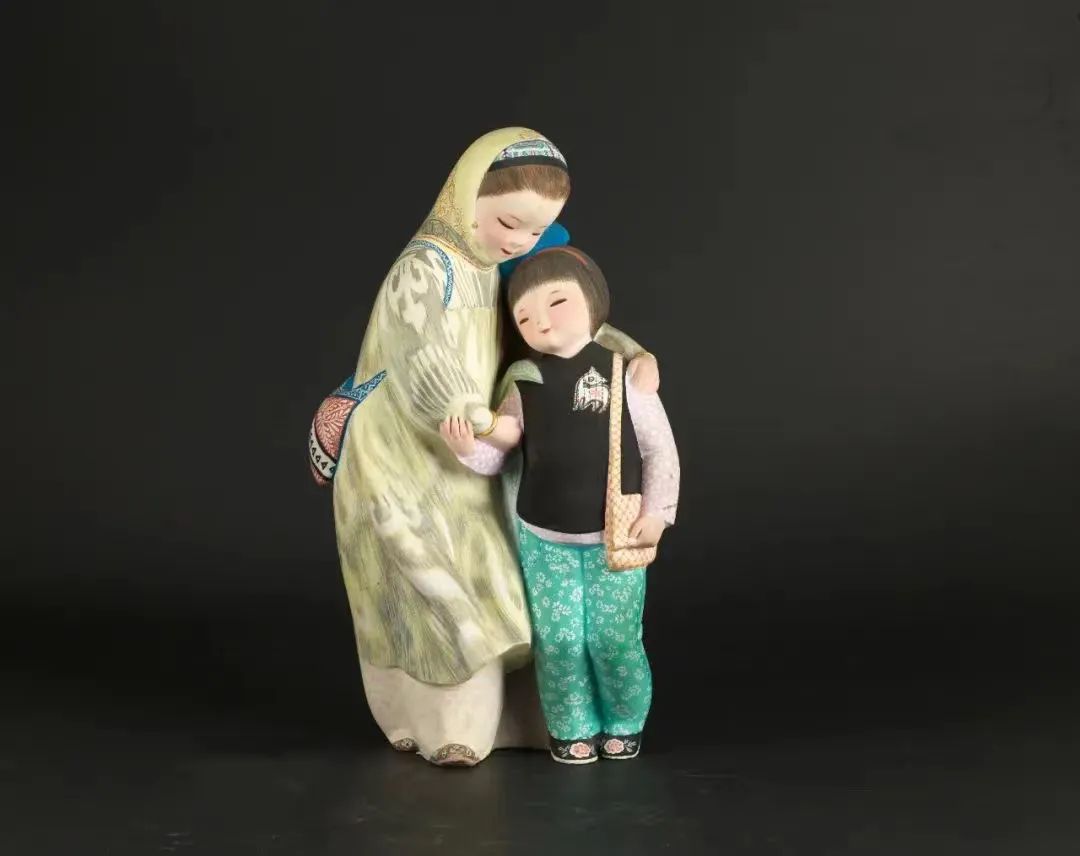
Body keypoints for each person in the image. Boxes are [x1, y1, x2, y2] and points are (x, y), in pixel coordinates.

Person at [312, 128, 660, 766]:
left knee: (509, 586)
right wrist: (466, 412)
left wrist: (630, 352)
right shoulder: (426, 268)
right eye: (508, 222)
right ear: (465, 195)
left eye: (537, 229)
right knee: (441, 589)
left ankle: (535, 715)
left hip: (482, 452)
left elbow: (571, 321)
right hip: (409, 455)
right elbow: (420, 353)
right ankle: (445, 724)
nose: (521, 241)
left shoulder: (501, 268)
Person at [440, 245, 680, 764]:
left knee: (614, 638)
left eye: (556, 303)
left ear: (593, 301)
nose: (542, 322)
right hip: (543, 536)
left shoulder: (625, 374)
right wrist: (466, 448)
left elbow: (659, 448)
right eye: (525, 316)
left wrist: (658, 513)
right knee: (560, 641)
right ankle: (571, 727)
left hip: (615, 532)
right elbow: (504, 446)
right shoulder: (524, 379)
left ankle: (624, 720)